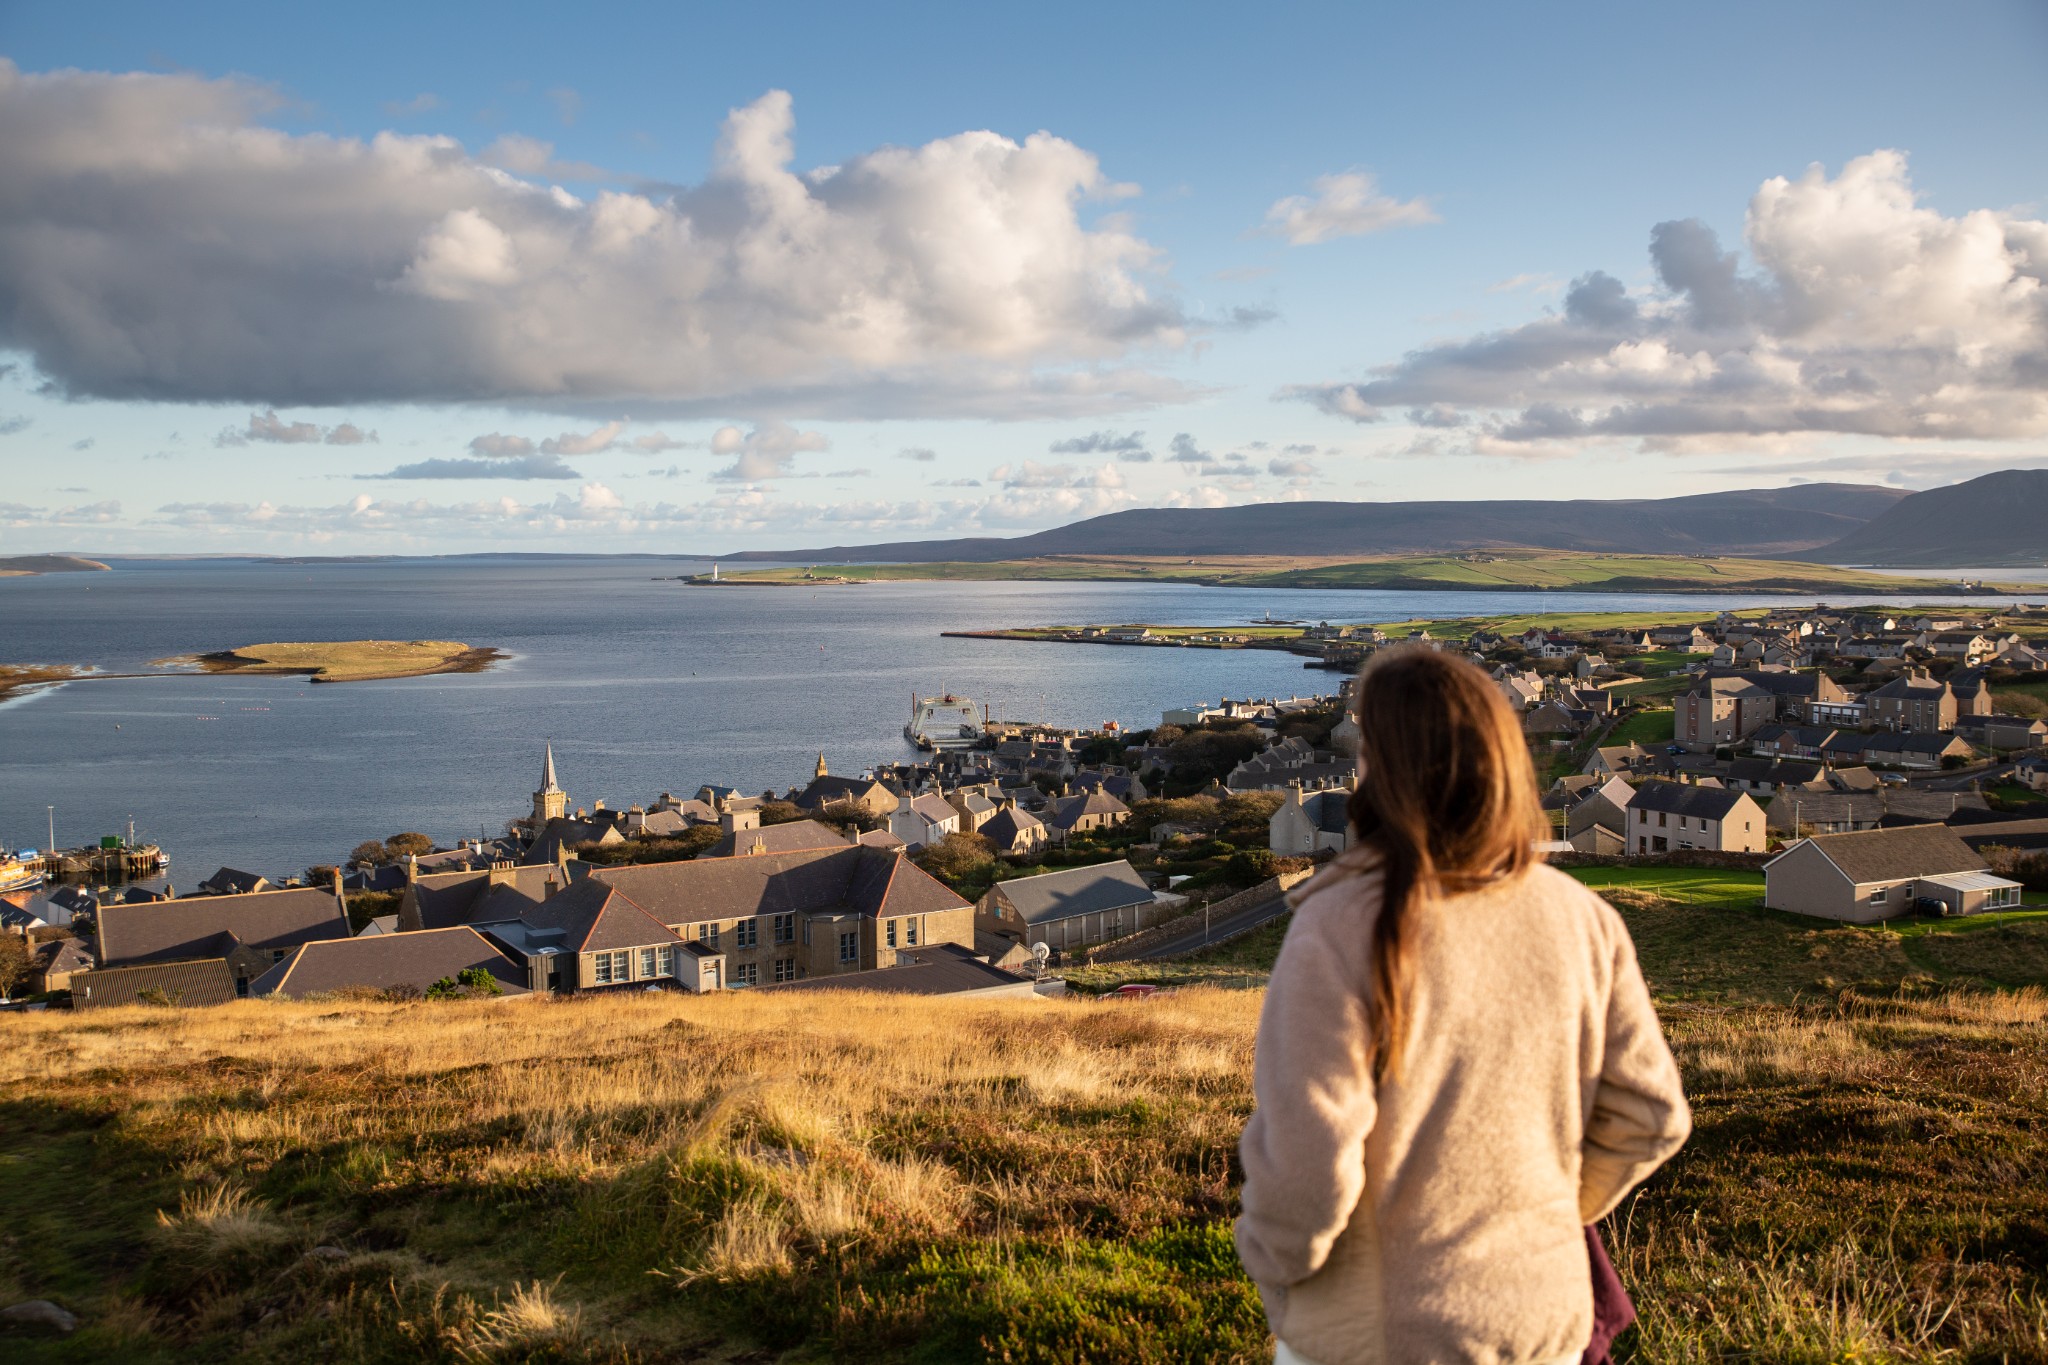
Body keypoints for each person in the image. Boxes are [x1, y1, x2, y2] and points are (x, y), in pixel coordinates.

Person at [1235, 647, 1691, 1365]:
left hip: (1378, 1338)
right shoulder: (1582, 917)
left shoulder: (1338, 923)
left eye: (1364, 749)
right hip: (1544, 1324)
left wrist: (1275, 1270)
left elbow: (1307, 1166)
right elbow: (1652, 1115)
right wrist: (1537, 1219)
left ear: (1385, 766)